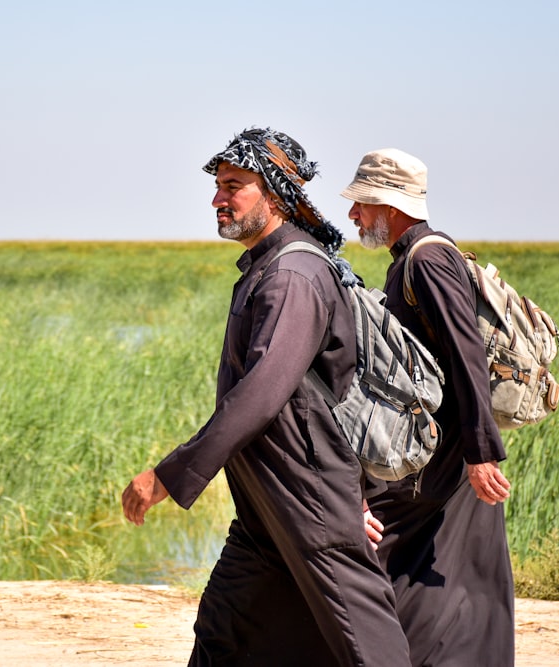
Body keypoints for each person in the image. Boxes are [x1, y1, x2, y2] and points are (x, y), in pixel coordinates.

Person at [122, 128, 411, 666]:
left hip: (310, 499)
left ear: (275, 195)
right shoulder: (270, 266)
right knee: (225, 634)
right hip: (267, 506)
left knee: (365, 645)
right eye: (217, 186)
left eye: (234, 185)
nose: (217, 199)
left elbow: (260, 395)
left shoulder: (293, 274)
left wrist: (169, 475)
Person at [340, 148, 515, 666]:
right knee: (452, 576)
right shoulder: (410, 259)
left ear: (390, 206)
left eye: (362, 204)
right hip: (441, 449)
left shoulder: (427, 259)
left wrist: (481, 451)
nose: (353, 215)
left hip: (440, 455)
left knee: (406, 567)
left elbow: (466, 354)